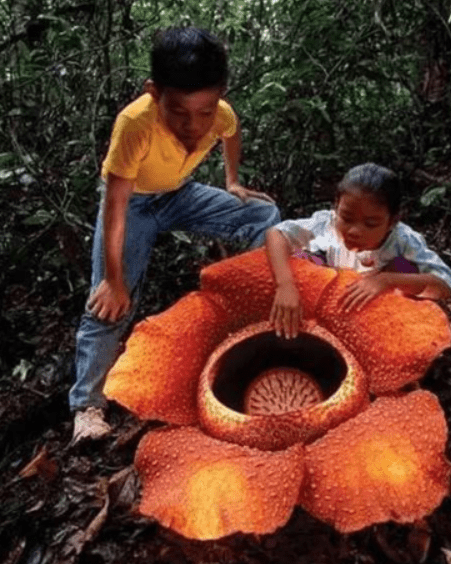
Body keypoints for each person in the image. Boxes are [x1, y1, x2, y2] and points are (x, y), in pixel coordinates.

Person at [70, 27, 280, 443]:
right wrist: (113, 280)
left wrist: (232, 181)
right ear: (154, 92)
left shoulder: (220, 113)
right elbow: (114, 209)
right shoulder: (134, 123)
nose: (193, 124)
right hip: (133, 206)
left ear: (219, 94)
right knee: (108, 305)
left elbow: (231, 132)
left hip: (178, 193)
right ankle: (87, 407)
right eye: (179, 111)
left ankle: (253, 309)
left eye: (205, 111)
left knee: (264, 214)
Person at [266, 162, 451, 339]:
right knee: (300, 258)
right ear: (336, 207)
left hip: (378, 312)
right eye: (347, 218)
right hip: (326, 304)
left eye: (371, 224)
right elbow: (277, 234)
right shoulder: (326, 225)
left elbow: (446, 285)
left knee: (404, 267)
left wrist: (387, 281)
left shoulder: (403, 240)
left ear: (392, 221)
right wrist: (286, 285)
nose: (355, 231)